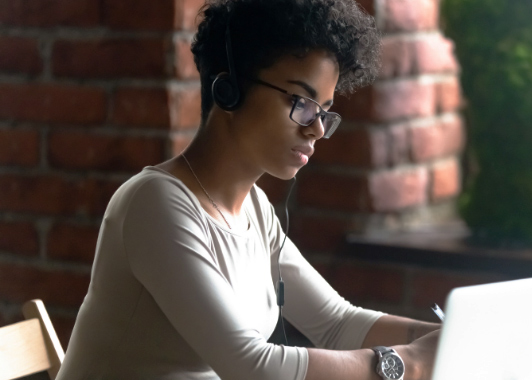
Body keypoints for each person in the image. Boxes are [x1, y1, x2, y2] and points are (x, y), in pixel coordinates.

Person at [56, 0, 441, 379]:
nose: (317, 129)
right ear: (230, 89)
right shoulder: (154, 204)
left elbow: (336, 323)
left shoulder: (255, 210)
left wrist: (453, 338)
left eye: (324, 111)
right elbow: (251, 366)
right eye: (301, 102)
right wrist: (412, 362)